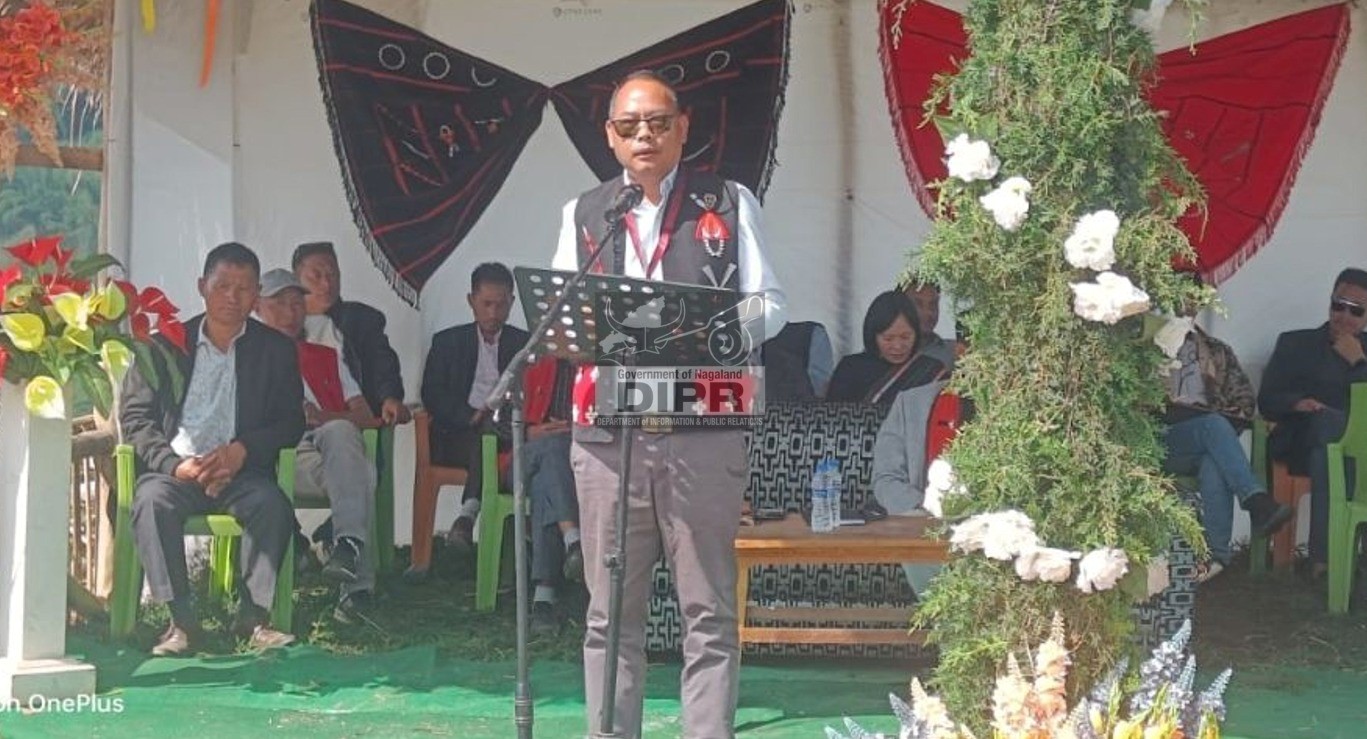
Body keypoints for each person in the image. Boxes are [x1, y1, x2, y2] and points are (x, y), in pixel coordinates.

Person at [551, 70, 786, 738]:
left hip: (702, 426)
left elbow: (771, 304)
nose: (644, 136)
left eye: (657, 122)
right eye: (629, 126)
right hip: (609, 435)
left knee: (707, 610)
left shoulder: (728, 201)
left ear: (682, 127)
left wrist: (711, 329)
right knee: (608, 614)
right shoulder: (584, 212)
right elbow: (563, 313)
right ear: (609, 136)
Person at [120, 242, 303, 655]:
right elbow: (135, 418)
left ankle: (253, 619)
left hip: (242, 472)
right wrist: (174, 465)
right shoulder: (163, 346)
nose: (232, 297)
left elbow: (291, 422)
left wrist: (243, 450)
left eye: (244, 288)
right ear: (202, 286)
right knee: (151, 501)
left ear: (257, 296)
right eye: (222, 286)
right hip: (177, 472)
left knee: (272, 505)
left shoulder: (276, 350)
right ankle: (181, 623)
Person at [255, 268, 380, 622]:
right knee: (363, 475)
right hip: (279, 458)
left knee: (341, 432)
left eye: (297, 303)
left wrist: (322, 416)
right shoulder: (249, 357)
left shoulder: (324, 357)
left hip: (330, 448)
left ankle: (347, 546)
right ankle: (357, 589)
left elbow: (365, 416)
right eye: (279, 304)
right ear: (257, 308)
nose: (290, 312)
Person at [1158, 309, 1292, 581]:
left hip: (1202, 441)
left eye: (1197, 292)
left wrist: (1221, 412)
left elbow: (1245, 402)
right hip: (1157, 440)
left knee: (1214, 458)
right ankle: (1255, 500)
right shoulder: (1148, 342)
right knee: (1213, 425)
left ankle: (1214, 558)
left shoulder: (1216, 350)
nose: (1188, 300)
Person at [1258, 268, 1367, 569]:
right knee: (1324, 426)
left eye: (1356, 311)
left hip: (1350, 454)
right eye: (1339, 305)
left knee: (1332, 455)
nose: (1345, 316)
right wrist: (1297, 403)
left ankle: (1324, 561)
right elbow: (1267, 399)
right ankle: (1338, 559)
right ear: (1330, 302)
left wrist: (1358, 362)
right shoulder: (1296, 343)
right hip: (1301, 442)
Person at [419, 262, 528, 554]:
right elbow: (432, 393)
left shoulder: (524, 345)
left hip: (510, 436)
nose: (493, 313)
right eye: (486, 304)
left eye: (501, 305)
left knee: (495, 433)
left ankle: (467, 516)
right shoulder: (447, 342)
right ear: (471, 301)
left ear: (512, 302)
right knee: (486, 434)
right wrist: (470, 416)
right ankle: (468, 517)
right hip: (458, 434)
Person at [292, 241, 410, 425]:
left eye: (332, 275)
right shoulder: (287, 325)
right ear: (297, 280)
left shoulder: (361, 319)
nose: (326, 284)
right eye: (316, 276)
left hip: (356, 421)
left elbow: (382, 363)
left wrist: (389, 397)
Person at [827, 291, 947, 406]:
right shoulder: (850, 369)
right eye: (888, 338)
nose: (898, 346)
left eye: (905, 337)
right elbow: (831, 416)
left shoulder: (932, 371)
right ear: (873, 335)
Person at [904, 280, 956, 369]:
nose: (928, 312)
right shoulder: (882, 354)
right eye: (918, 304)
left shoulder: (956, 353)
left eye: (933, 304)